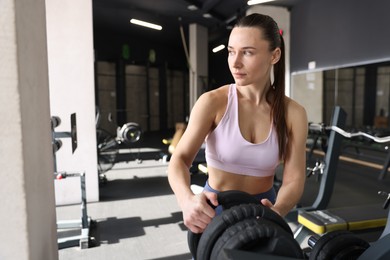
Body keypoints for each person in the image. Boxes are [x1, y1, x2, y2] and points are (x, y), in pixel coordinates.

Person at [167, 13, 308, 234]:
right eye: (231, 52)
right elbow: (180, 160)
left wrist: (279, 210)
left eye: (247, 52)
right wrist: (186, 201)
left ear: (275, 55)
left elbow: (294, 178)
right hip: (215, 212)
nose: (235, 62)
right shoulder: (212, 102)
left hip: (264, 212)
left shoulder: (294, 114)